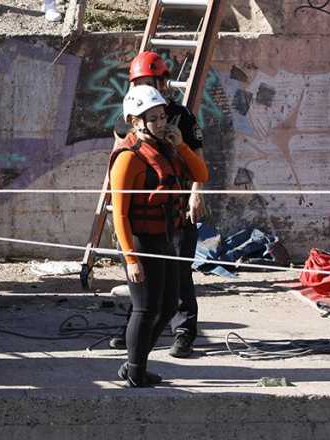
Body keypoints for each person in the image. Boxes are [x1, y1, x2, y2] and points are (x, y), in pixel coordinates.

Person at [109, 85, 208, 387]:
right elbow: (120, 214)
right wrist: (131, 259)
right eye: (153, 118)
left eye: (162, 116)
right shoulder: (128, 158)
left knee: (167, 306)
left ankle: (134, 364)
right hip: (140, 241)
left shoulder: (168, 148)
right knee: (146, 307)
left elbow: (201, 175)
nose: (161, 123)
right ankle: (136, 371)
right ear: (134, 121)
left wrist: (182, 147)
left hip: (165, 238)